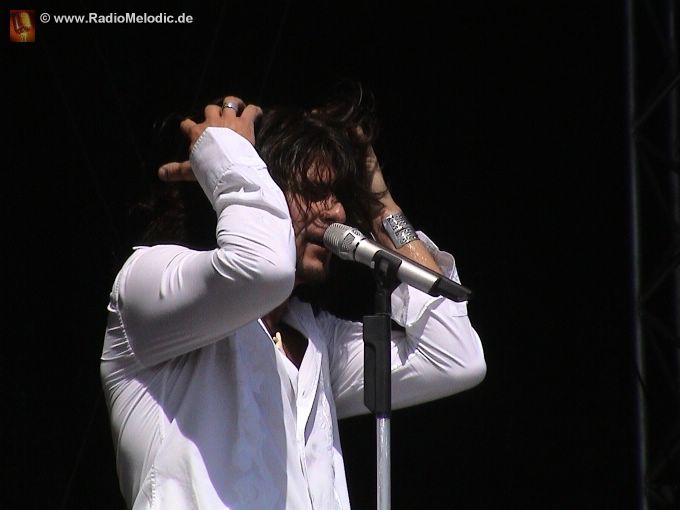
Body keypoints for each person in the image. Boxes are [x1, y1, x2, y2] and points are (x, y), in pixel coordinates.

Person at [100, 87, 486, 509]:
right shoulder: (147, 283)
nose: (337, 212)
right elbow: (263, 267)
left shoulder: (316, 340)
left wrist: (381, 209)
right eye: (315, 191)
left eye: (339, 196)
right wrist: (227, 152)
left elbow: (454, 354)